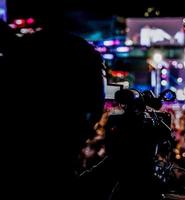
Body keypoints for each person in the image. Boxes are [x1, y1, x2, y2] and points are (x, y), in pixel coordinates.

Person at [1, 12, 106, 198]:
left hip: (24, 138)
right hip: (66, 137)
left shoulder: (21, 48)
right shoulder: (84, 51)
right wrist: (82, 131)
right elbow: (97, 101)